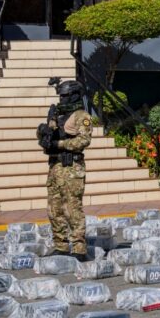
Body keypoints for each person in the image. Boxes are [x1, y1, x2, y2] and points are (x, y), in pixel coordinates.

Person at [38, 79, 92, 261]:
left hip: (72, 167)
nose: (62, 99)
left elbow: (83, 141)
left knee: (72, 209)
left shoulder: (81, 116)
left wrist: (59, 144)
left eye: (65, 96)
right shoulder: (57, 116)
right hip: (55, 167)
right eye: (60, 96)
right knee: (54, 210)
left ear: (74, 96)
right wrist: (44, 134)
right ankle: (60, 246)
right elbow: (49, 138)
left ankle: (79, 248)